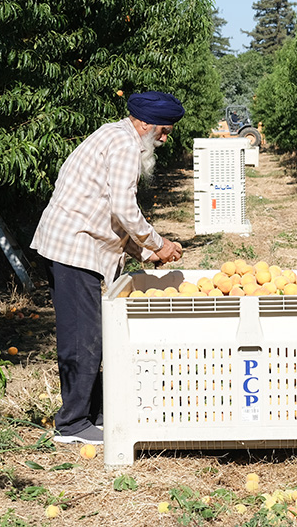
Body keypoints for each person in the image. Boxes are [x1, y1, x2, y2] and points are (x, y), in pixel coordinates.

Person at [30, 91, 185, 445]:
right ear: (145, 123)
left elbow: (110, 214)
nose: (164, 138)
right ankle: (72, 424)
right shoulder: (125, 146)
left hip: (74, 242)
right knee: (83, 336)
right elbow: (124, 211)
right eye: (163, 130)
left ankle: (95, 410)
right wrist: (158, 244)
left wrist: (149, 255)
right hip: (73, 246)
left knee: (90, 332)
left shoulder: (116, 135)